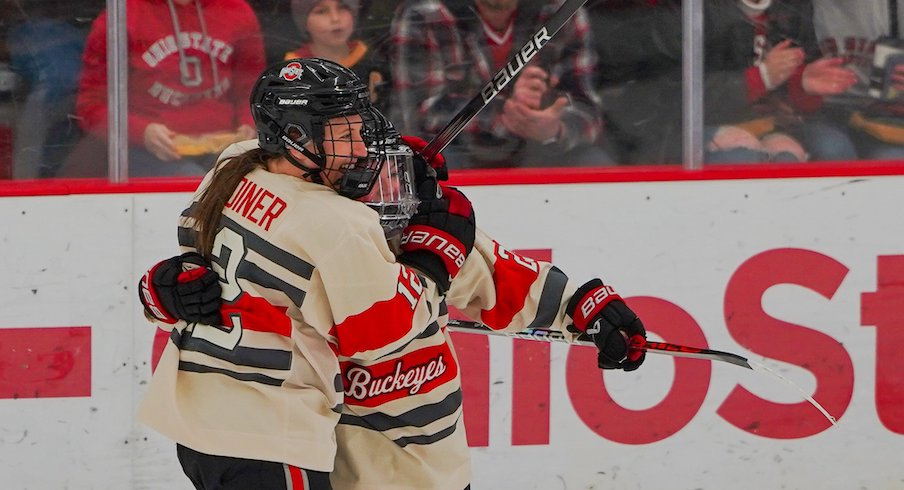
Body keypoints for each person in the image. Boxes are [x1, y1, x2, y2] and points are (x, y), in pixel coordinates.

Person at [139, 57, 648, 489]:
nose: (363, 149)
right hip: (304, 449)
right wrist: (435, 258)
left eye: (364, 130)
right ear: (296, 139)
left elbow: (490, 273)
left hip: (212, 429)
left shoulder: (235, 167)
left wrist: (582, 305)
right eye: (346, 133)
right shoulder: (341, 226)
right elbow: (390, 331)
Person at [594, 0, 858, 164]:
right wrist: (758, 80)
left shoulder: (793, 7)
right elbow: (666, 94)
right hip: (676, 129)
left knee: (832, 147)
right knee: (739, 159)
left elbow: (794, 88)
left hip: (768, 124)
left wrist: (802, 85)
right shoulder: (686, 10)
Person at [389, 0, 613, 169]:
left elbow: (588, 109)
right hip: (459, 153)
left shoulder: (562, 11)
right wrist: (507, 115)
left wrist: (554, 127)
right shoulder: (424, 13)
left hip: (536, 150)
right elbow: (420, 114)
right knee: (432, 167)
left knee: (594, 162)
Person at [61, 0, 266, 178]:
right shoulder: (123, 15)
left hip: (224, 149)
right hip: (142, 152)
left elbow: (251, 89)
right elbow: (91, 105)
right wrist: (141, 132)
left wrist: (249, 123)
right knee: (197, 186)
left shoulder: (236, 11)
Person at [811, 0, 904, 160]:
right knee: (831, 151)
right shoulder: (804, 8)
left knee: (890, 162)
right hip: (824, 115)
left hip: (889, 121)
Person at [284, 0, 391, 112]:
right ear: (304, 22)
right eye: (321, 12)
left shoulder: (372, 60)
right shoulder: (294, 70)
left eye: (343, 8)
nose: (335, 18)